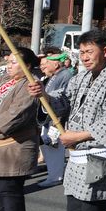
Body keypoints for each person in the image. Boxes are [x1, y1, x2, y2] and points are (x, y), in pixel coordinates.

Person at [28, 29, 106, 211]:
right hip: (75, 158)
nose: (85, 57)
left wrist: (76, 137)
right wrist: (45, 95)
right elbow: (64, 101)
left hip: (96, 158)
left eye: (89, 52)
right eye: (82, 52)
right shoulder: (80, 77)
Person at [0, 48, 40, 211]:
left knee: (9, 195)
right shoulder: (7, 79)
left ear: (27, 65)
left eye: (13, 63)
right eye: (8, 62)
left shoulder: (31, 84)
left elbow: (17, 113)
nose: (9, 66)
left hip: (13, 148)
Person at [38, 51, 72, 188]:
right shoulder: (55, 76)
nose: (43, 67)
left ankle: (55, 176)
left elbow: (63, 97)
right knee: (48, 146)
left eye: (46, 64)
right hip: (48, 116)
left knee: (54, 148)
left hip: (57, 117)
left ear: (57, 63)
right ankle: (53, 174)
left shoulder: (65, 75)